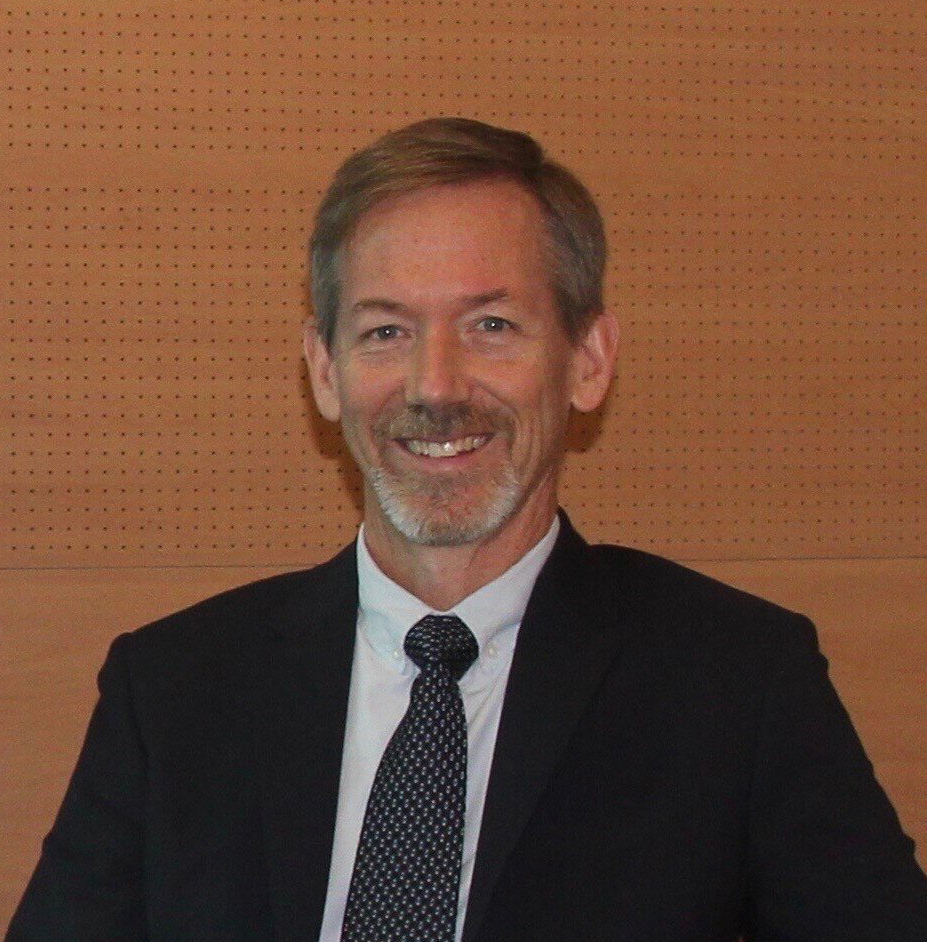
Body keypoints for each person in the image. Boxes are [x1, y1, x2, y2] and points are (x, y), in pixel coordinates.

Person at [7, 117, 927, 942]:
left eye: (490, 324)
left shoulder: (737, 681)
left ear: (588, 359)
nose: (434, 386)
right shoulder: (172, 690)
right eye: (385, 332)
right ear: (323, 371)